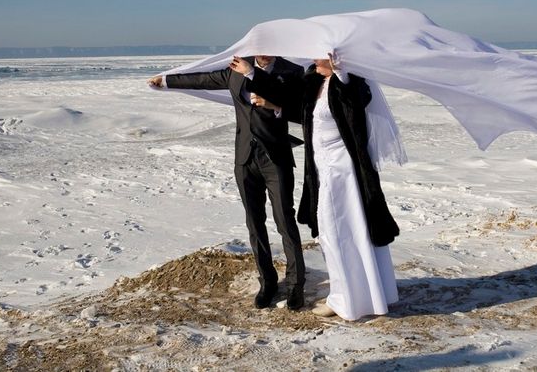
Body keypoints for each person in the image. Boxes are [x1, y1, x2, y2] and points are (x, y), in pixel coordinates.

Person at [147, 55, 306, 310]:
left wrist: (263, 88)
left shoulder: (292, 71)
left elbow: (301, 109)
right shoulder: (236, 69)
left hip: (275, 157)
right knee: (254, 223)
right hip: (244, 157)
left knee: (284, 220)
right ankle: (267, 282)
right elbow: (201, 79)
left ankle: (297, 284)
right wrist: (166, 81)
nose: (262, 52)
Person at [251, 54, 399, 320]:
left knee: (340, 233)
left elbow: (354, 101)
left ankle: (346, 300)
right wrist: (262, 87)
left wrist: (342, 73)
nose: (314, 60)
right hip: (322, 170)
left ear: (337, 59)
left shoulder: (349, 85)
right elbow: (304, 112)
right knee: (334, 235)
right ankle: (356, 294)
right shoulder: (315, 82)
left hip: (342, 174)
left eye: (322, 55)